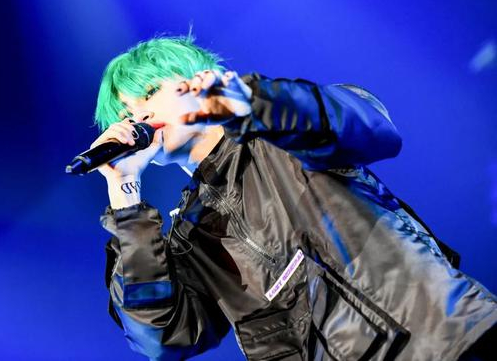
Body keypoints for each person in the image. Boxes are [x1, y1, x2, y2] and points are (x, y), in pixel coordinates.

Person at [90, 35, 497, 360]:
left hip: (448, 340)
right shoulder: (189, 239)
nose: (139, 115)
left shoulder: (281, 134)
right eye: (126, 113)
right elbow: (161, 338)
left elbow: (369, 127)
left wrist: (247, 101)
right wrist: (124, 195)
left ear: (200, 79)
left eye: (150, 92)